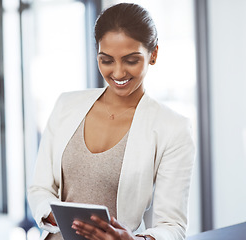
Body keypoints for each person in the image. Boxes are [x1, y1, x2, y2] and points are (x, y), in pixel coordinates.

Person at [27, 3, 195, 240]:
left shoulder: (173, 128)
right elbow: (40, 188)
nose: (117, 73)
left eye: (131, 60)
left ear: (153, 54)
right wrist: (59, 217)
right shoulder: (66, 106)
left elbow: (173, 225)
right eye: (106, 60)